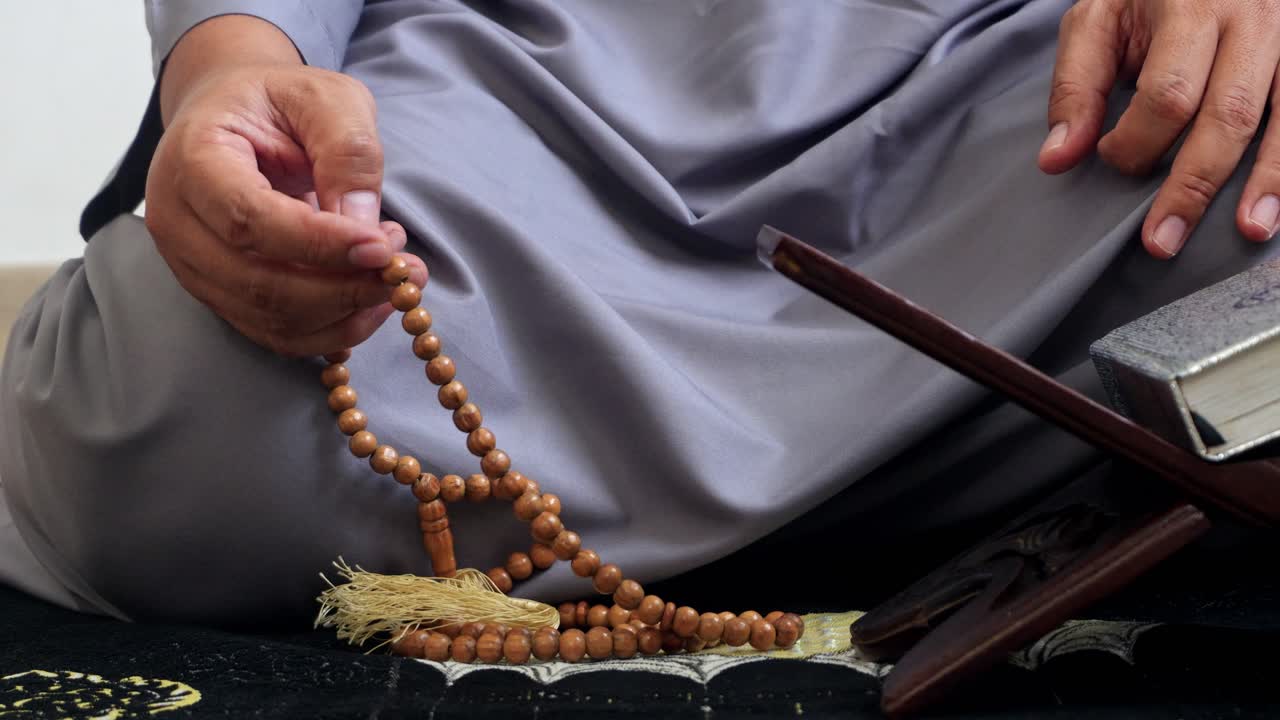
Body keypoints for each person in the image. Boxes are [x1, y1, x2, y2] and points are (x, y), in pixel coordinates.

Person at [3, 0, 1279, 627]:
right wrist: (240, 63)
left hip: (1020, 91)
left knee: (1237, 214)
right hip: (529, 84)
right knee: (201, 388)